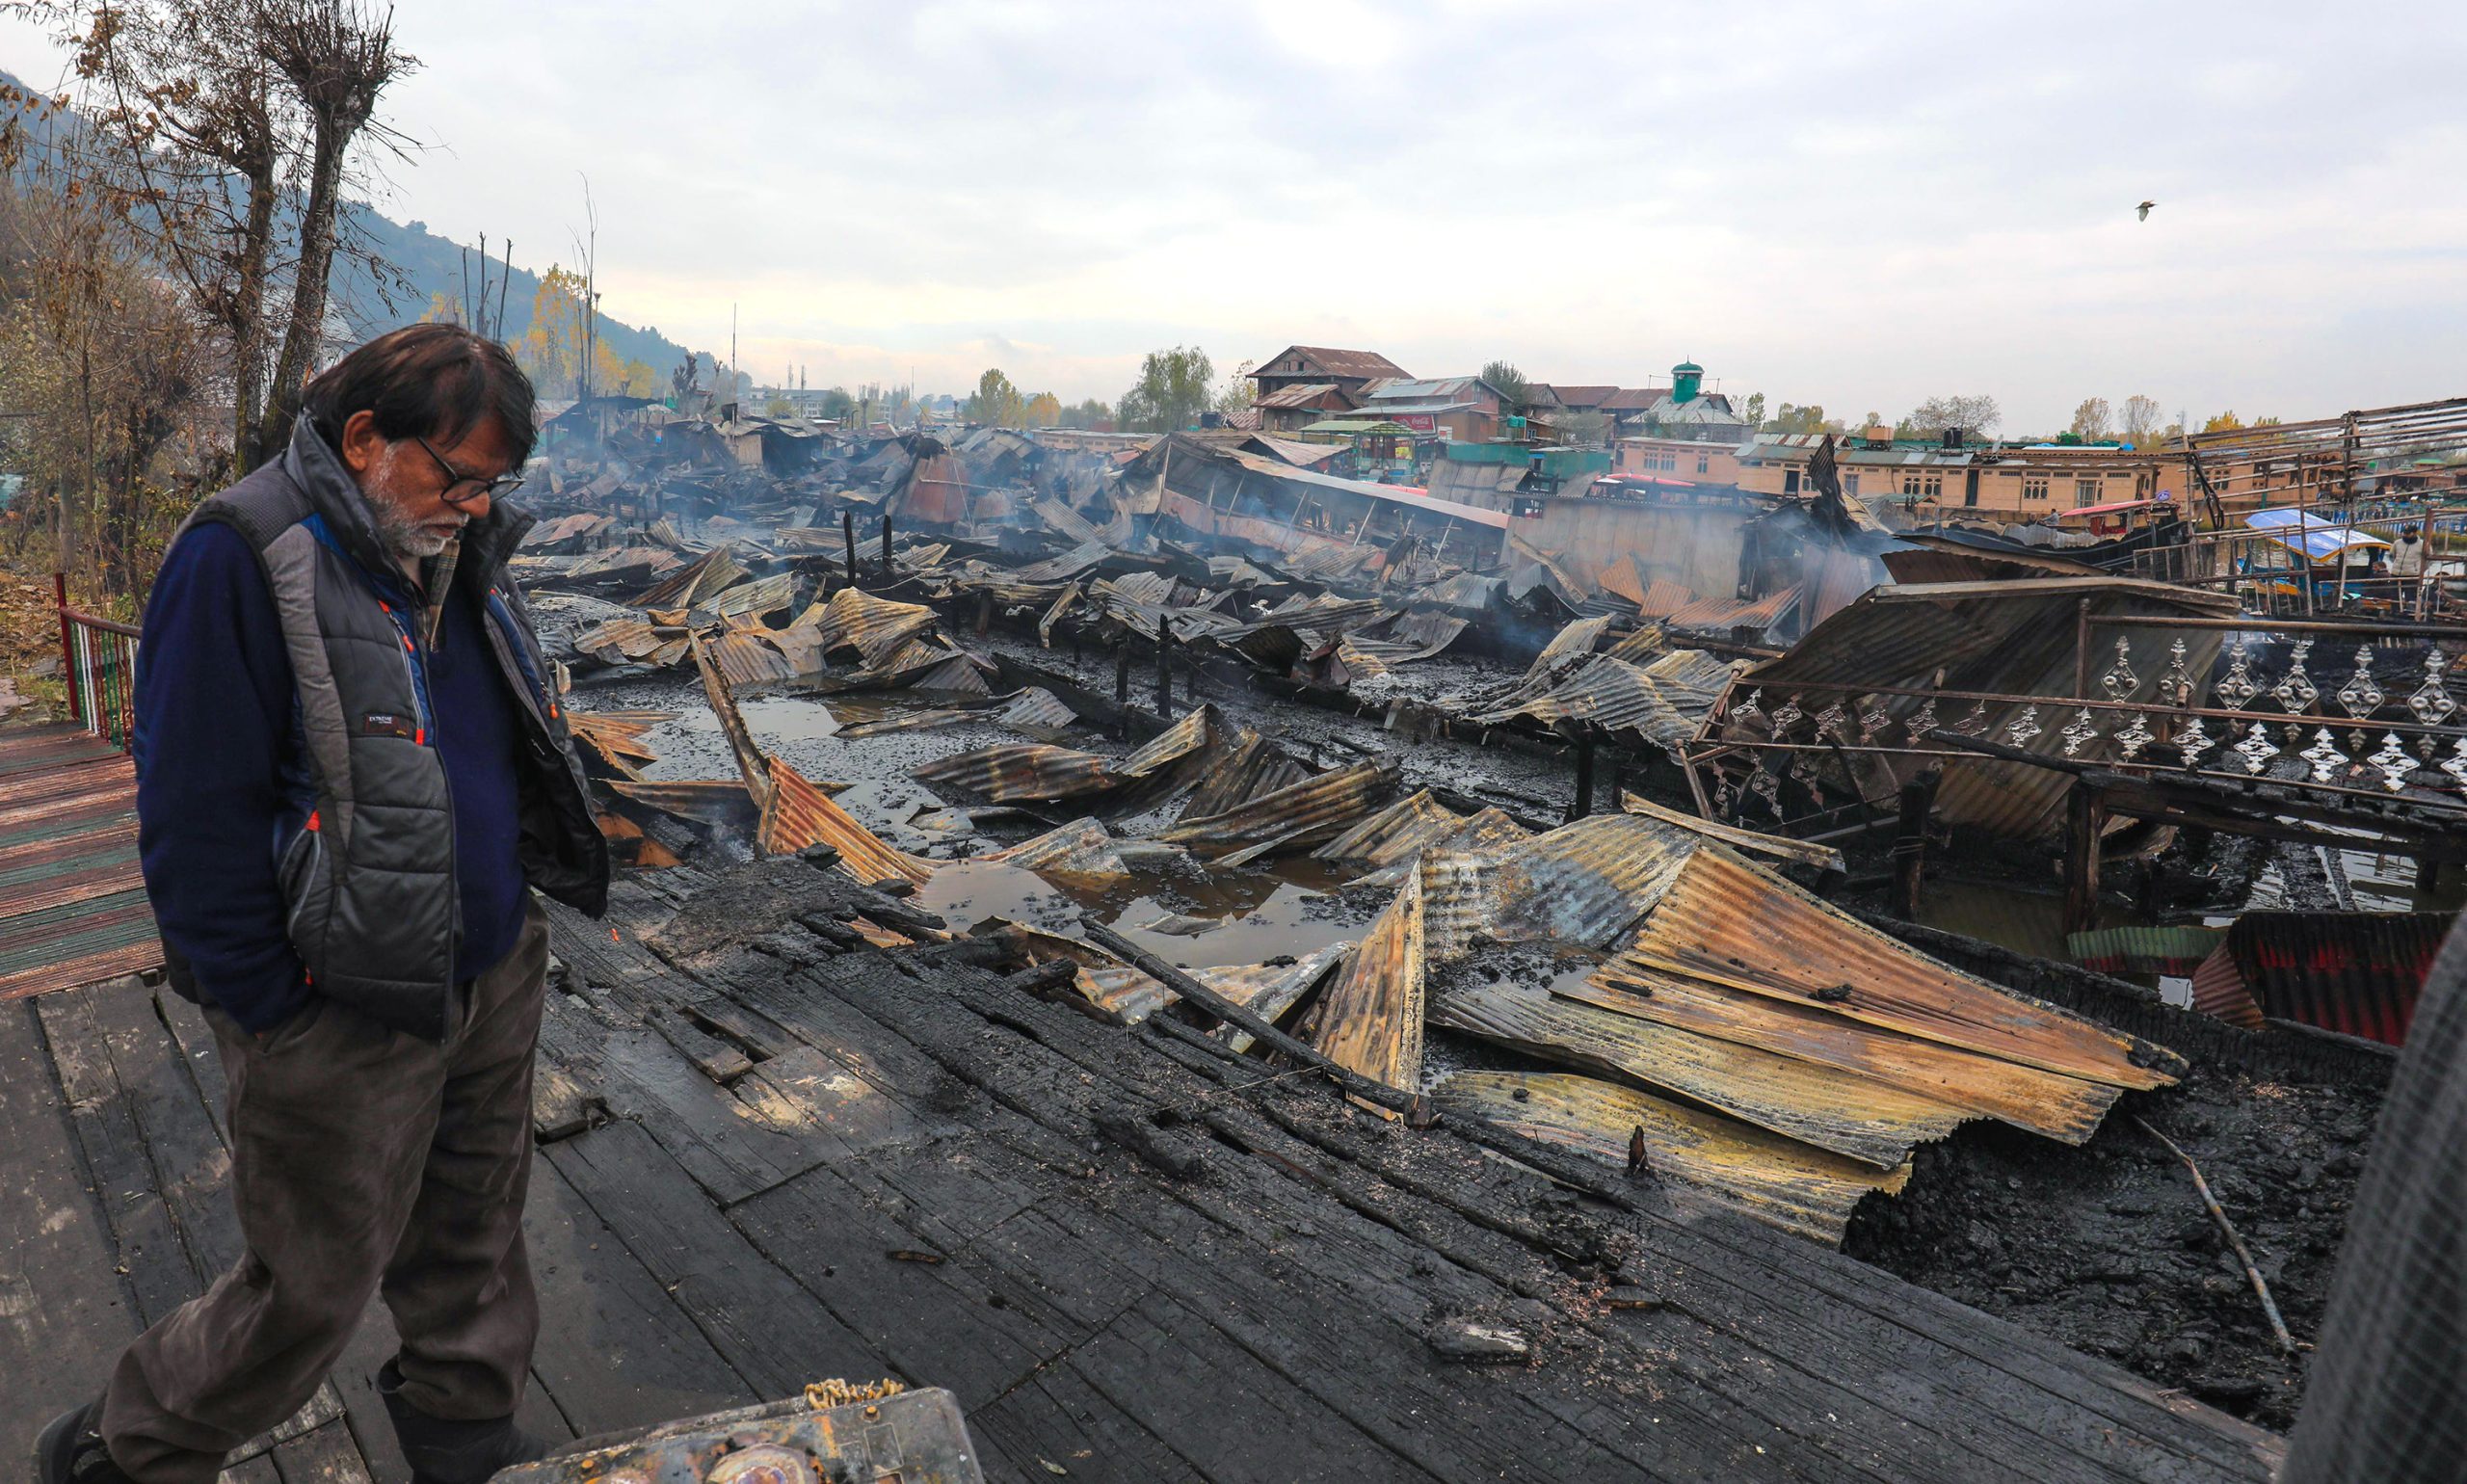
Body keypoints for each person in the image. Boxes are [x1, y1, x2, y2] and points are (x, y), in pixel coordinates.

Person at [35, 325, 609, 1484]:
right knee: (309, 1286)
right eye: (460, 477)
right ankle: (124, 1449)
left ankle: (468, 1439)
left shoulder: (452, 547)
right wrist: (271, 1008)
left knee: (476, 1245)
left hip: (488, 972)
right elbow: (193, 813)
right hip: (336, 1011)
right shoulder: (242, 553)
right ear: (364, 441)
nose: (479, 507)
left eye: (495, 486)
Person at [2391, 522, 2427, 616]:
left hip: (2412, 575)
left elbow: (2428, 560)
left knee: (2411, 596)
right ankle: (2395, 612)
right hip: (2396, 574)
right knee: (2394, 595)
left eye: (2407, 533)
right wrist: (2396, 565)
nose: (2405, 535)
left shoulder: (2423, 544)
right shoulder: (2397, 543)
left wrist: (2419, 570)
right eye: (2404, 532)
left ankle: (2410, 614)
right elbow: (2392, 555)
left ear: (2414, 533)